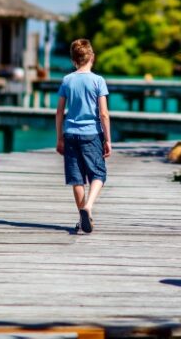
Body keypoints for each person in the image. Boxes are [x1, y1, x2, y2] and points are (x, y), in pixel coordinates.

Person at [56, 39, 111, 233]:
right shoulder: (98, 81)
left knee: (77, 178)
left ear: (73, 60)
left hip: (71, 133)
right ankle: (88, 207)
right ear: (92, 58)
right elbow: (103, 113)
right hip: (92, 134)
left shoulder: (67, 80)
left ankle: (81, 216)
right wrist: (108, 140)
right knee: (98, 174)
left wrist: (59, 138)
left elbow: (60, 111)